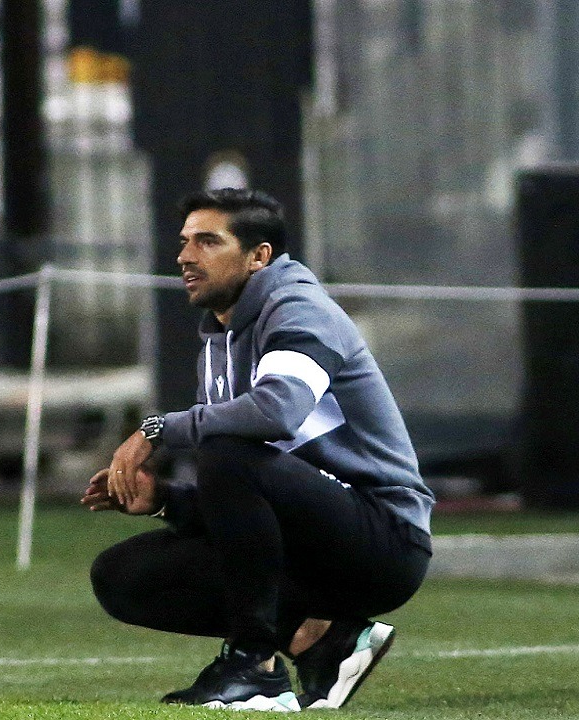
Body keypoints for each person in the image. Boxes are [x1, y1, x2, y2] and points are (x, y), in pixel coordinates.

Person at [82, 188, 434, 710]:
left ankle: (255, 669)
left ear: (259, 256)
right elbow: (245, 504)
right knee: (122, 576)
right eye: (184, 242)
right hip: (306, 542)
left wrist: (157, 429)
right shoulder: (218, 343)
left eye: (207, 241)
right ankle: (323, 643)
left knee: (224, 446)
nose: (185, 256)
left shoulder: (299, 308)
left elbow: (276, 412)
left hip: (382, 539)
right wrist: (165, 501)